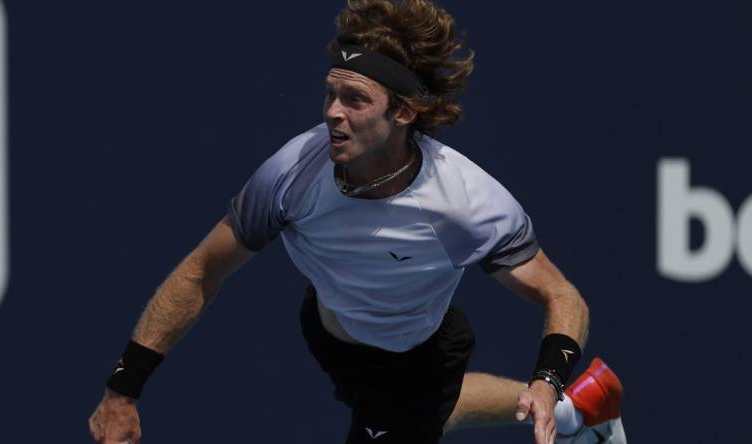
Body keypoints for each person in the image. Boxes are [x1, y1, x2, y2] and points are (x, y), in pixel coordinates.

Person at [88, 1, 626, 443]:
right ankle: (584, 417)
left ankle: (568, 412)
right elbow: (201, 271)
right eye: (330, 93)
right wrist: (122, 389)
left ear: (404, 113)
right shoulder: (292, 174)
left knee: (410, 407)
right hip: (331, 336)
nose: (331, 113)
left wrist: (548, 380)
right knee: (425, 407)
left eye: (355, 100)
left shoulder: (464, 203)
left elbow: (562, 296)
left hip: (419, 359)